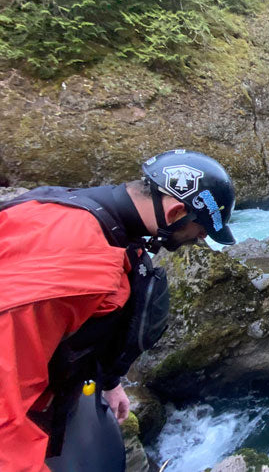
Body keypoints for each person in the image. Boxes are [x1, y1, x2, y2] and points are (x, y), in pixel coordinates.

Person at [0, 149, 236, 472]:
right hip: (21, 409)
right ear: (175, 212)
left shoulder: (105, 220)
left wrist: (110, 382)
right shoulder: (77, 266)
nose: (202, 238)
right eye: (201, 230)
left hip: (56, 388)